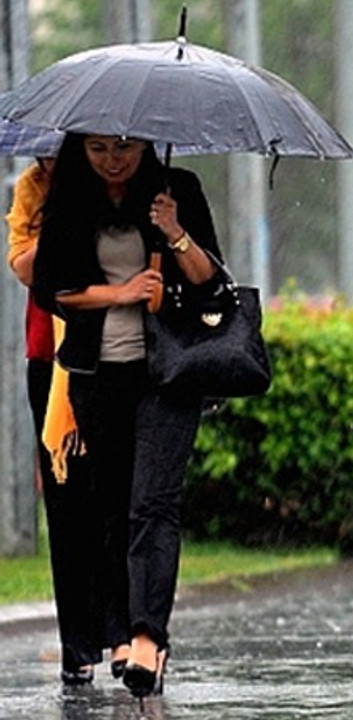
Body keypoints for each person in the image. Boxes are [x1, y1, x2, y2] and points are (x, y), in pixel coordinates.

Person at [33, 133, 221, 698]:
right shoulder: (70, 199)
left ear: (145, 145)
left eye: (124, 147)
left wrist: (174, 232)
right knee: (111, 505)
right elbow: (51, 289)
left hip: (166, 374)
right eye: (97, 149)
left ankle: (147, 638)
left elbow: (210, 279)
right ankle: (117, 631)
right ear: (79, 152)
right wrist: (117, 295)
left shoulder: (177, 189)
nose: (112, 160)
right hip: (98, 376)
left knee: (154, 504)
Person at [6, 156, 118, 685]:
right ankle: (78, 644)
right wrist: (64, 228)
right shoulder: (35, 188)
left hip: (118, 355)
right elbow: (25, 267)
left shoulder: (121, 183)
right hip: (50, 358)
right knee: (66, 499)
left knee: (117, 499)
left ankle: (126, 634)